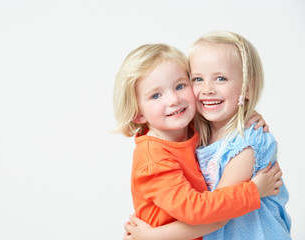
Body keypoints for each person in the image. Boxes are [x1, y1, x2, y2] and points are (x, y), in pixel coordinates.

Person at [124, 31, 291, 240]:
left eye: (221, 78)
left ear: (247, 87)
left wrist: (153, 236)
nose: (207, 89)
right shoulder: (187, 136)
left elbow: (215, 217)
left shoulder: (242, 143)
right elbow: (206, 213)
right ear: (137, 113)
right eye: (197, 79)